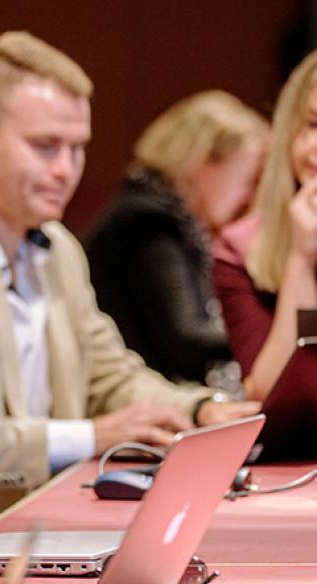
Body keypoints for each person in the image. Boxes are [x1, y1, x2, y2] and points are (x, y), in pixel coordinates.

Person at [0, 31, 258, 518]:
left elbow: (111, 376)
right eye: (46, 146)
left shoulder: (61, 249)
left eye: (77, 148)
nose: (66, 169)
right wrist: (91, 436)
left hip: (50, 520)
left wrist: (199, 409)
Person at [86, 90, 267, 388]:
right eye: (245, 178)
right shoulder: (149, 221)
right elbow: (185, 338)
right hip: (142, 398)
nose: (247, 195)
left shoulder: (158, 211)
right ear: (203, 163)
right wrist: (261, 331)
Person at [213, 49, 317, 457]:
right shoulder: (239, 248)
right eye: (311, 124)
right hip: (287, 469)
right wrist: (300, 257)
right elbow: (266, 398)